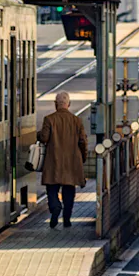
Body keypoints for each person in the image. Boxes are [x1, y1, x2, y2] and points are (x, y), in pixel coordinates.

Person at [37, 91, 89, 229]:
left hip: (53, 161)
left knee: (52, 189)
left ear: (55, 104)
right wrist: (82, 158)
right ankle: (67, 219)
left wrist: (38, 134)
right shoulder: (76, 120)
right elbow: (83, 141)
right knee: (69, 191)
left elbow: (44, 138)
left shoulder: (49, 119)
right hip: (72, 162)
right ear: (69, 104)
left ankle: (55, 207)